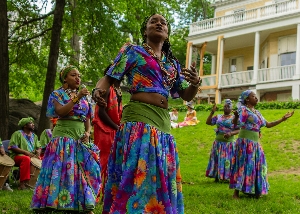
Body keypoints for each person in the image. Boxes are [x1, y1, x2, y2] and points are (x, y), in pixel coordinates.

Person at [93, 14, 201, 214]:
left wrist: (195, 83)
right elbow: (108, 78)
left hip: (163, 126)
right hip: (139, 121)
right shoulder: (133, 51)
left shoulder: (172, 65)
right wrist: (97, 91)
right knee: (138, 175)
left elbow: (186, 95)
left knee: (158, 178)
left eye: (163, 22)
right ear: (145, 30)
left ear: (167, 32)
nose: (159, 23)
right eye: (154, 21)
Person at [31, 65, 101, 214]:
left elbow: (87, 117)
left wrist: (88, 133)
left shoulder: (84, 98)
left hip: (80, 139)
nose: (78, 78)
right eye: (73, 75)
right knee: (63, 171)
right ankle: (54, 203)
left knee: (83, 171)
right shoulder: (58, 94)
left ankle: (82, 204)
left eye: (79, 76)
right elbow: (61, 112)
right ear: (65, 78)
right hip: (63, 138)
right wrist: (77, 97)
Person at [229, 90, 294, 199]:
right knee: (243, 164)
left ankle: (254, 190)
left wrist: (282, 119)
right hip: (245, 142)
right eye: (253, 96)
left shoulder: (257, 112)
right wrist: (235, 116)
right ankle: (236, 193)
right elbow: (235, 124)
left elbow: (268, 124)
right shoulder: (243, 110)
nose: (256, 98)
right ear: (247, 99)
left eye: (256, 96)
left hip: (255, 143)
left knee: (257, 165)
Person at [92, 65, 123, 199]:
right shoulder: (106, 88)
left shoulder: (118, 90)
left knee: (113, 162)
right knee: (102, 161)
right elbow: (101, 112)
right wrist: (116, 127)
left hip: (114, 129)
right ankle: (94, 194)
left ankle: (107, 194)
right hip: (104, 129)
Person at [205, 100, 239, 182]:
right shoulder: (218, 117)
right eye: (225, 106)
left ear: (231, 109)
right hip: (218, 143)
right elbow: (208, 122)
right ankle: (216, 175)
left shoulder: (234, 118)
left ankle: (227, 177)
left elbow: (239, 129)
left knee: (227, 159)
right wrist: (212, 112)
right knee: (217, 159)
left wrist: (231, 133)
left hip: (228, 144)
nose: (226, 108)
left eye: (228, 107)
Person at [8, 117, 41, 190]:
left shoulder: (34, 136)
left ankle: (35, 183)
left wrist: (38, 151)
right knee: (26, 158)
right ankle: (22, 184)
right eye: (30, 123)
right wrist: (25, 152)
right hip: (17, 157)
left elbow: (39, 147)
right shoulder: (17, 134)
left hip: (31, 157)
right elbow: (13, 147)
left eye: (33, 123)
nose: (33, 124)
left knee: (42, 160)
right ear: (25, 125)